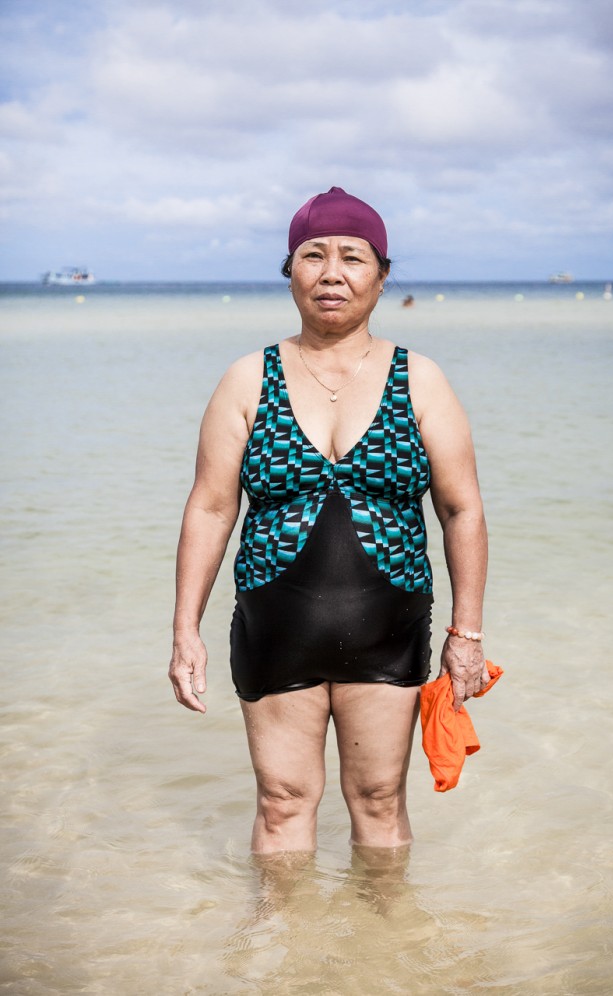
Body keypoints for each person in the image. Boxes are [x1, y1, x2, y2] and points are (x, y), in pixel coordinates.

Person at [168, 186, 489, 854]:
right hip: (273, 625)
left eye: (353, 256)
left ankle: (384, 953)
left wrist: (467, 633)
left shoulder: (420, 379)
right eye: (313, 256)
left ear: (381, 275)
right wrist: (184, 631)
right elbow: (210, 504)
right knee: (282, 806)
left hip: (390, 628)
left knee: (380, 805)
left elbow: (461, 509)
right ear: (291, 273)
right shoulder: (248, 379)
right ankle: (280, 953)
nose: (332, 272)